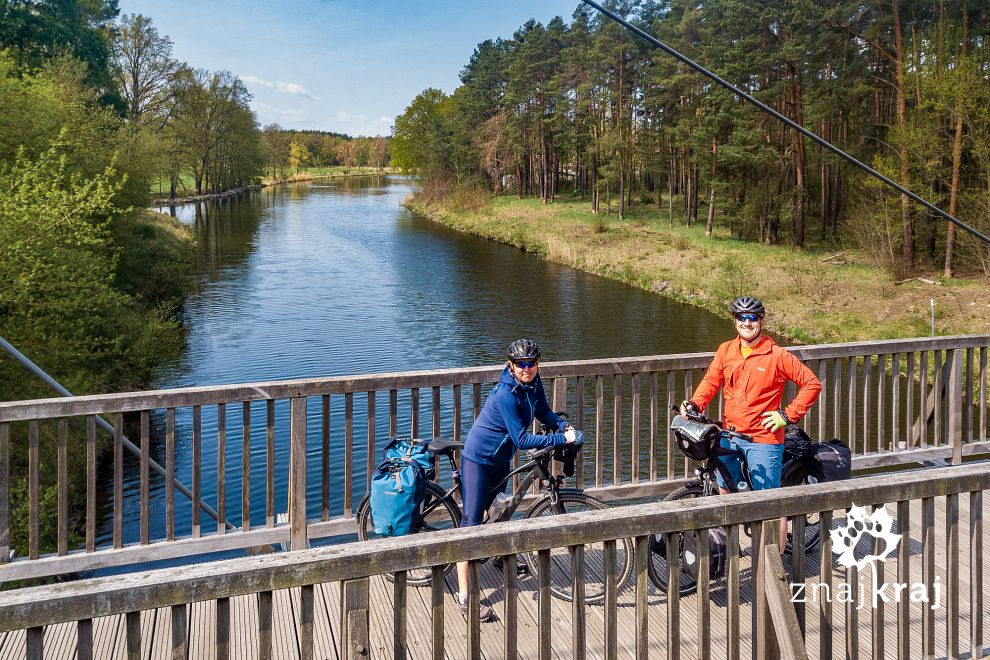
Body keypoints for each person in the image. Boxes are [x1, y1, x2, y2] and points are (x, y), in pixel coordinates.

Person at [680, 296, 821, 551]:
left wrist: (787, 415)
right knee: (725, 490)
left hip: (762, 438)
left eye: (752, 318)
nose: (747, 323)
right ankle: (731, 550)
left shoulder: (778, 356)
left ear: (761, 321)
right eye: (741, 318)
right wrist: (695, 404)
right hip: (730, 433)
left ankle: (773, 569)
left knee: (769, 503)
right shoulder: (726, 350)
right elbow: (711, 381)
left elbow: (812, 384)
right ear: (735, 321)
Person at [456, 338, 578, 622]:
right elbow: (522, 439)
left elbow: (544, 411)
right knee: (471, 525)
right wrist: (562, 438)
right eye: (521, 364)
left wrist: (562, 425)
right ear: (511, 366)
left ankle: (497, 554)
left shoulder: (534, 384)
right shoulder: (505, 394)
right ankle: (465, 597)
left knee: (498, 508)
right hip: (478, 458)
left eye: (531, 363)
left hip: (499, 460)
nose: (527, 369)